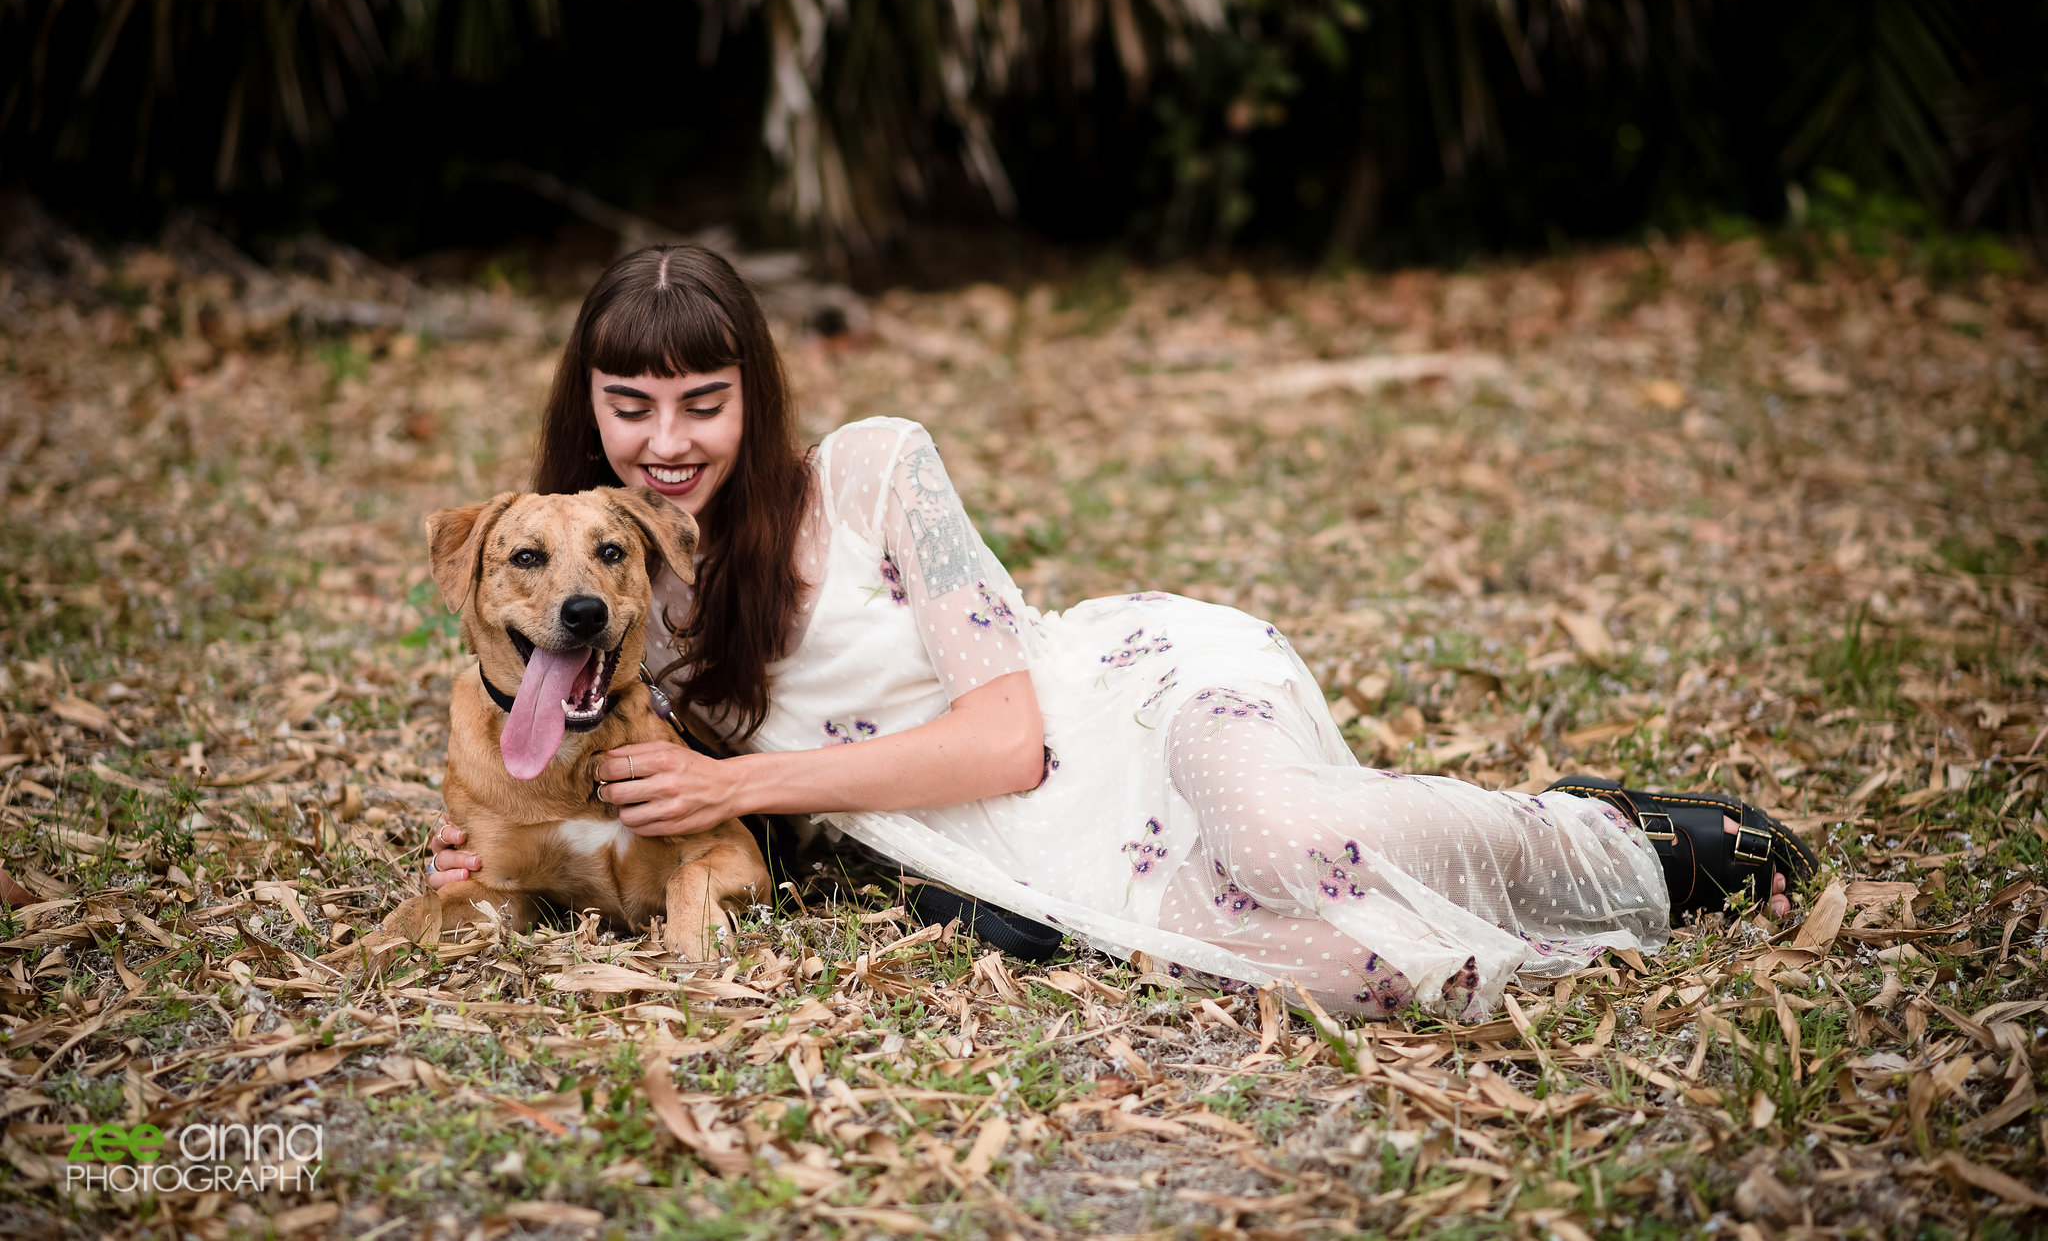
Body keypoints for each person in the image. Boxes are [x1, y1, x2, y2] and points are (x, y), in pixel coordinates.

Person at [424, 245, 1811, 1019]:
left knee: (1281, 838)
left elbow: (1013, 735)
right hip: (984, 853)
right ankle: (1517, 879)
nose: (667, 442)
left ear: (756, 397)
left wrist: (737, 785)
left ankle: (1612, 839)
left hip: (1118, 708)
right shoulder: (599, 580)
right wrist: (492, 841)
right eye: (631, 404)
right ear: (590, 409)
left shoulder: (870, 468)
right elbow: (529, 747)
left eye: (704, 401)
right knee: (1358, 973)